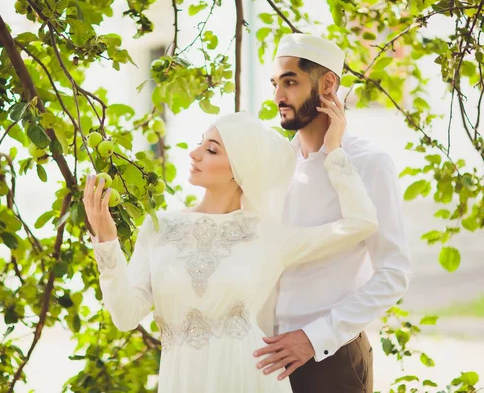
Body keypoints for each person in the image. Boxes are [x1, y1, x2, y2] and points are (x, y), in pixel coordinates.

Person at [84, 104, 377, 391]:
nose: (194, 153)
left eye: (211, 150)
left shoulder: (267, 235)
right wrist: (107, 242)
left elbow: (360, 223)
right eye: (200, 143)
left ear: (240, 169)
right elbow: (125, 316)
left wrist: (334, 151)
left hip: (247, 379)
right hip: (182, 380)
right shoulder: (159, 227)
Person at [253, 34, 412, 393]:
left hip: (331, 360)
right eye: (275, 83)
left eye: (291, 82)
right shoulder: (273, 163)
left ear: (327, 85)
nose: (279, 96)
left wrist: (314, 337)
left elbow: (393, 273)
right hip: (264, 360)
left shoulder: (369, 163)